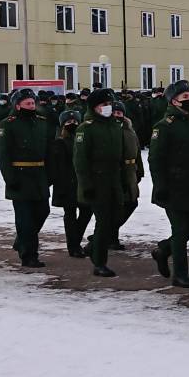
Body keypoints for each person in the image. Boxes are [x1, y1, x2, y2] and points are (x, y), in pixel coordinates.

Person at [148, 80, 189, 288]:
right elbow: (155, 159)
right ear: (174, 101)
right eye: (185, 97)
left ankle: (163, 251)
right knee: (180, 229)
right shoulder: (164, 126)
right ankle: (180, 274)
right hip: (173, 184)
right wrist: (160, 186)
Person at [73, 88, 124, 278]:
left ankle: (93, 247)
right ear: (94, 107)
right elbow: (80, 161)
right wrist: (86, 185)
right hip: (97, 180)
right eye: (104, 105)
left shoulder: (114, 125)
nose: (108, 108)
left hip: (114, 179)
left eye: (109, 104)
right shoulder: (86, 128)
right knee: (104, 222)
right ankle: (100, 262)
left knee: (117, 217)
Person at [0, 88, 50, 268]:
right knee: (25, 219)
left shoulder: (41, 122)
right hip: (20, 175)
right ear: (18, 106)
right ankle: (29, 255)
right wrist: (10, 179)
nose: (31, 106)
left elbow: (48, 149)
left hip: (39, 176)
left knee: (43, 212)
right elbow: (3, 155)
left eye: (33, 103)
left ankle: (21, 241)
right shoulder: (8, 124)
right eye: (27, 103)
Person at [47, 110, 90, 258]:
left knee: (86, 212)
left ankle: (75, 241)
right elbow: (57, 166)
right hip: (66, 184)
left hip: (82, 182)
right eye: (69, 122)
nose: (73, 124)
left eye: (75, 122)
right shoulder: (59, 142)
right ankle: (73, 246)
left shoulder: (83, 139)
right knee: (70, 214)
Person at [113, 101, 144, 249]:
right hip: (117, 171)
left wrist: (140, 171)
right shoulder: (110, 129)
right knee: (116, 206)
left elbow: (137, 151)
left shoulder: (130, 129)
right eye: (115, 113)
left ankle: (109, 233)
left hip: (131, 171)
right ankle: (108, 236)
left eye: (119, 113)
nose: (117, 115)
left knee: (131, 203)